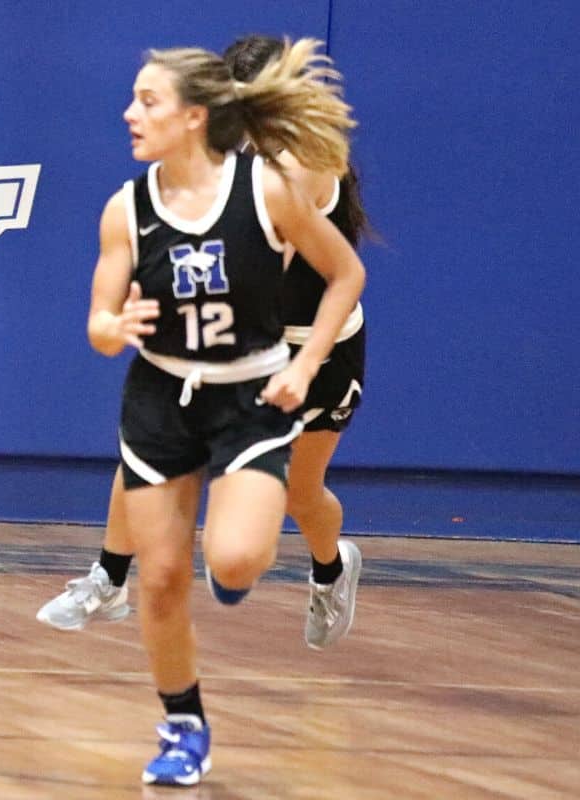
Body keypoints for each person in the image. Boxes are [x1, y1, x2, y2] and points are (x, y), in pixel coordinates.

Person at [75, 40, 365, 786]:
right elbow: (100, 324)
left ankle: (300, 563)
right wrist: (114, 329)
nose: (129, 113)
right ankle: (183, 725)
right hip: (161, 399)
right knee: (165, 579)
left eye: (148, 101)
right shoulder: (126, 207)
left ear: (195, 117)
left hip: (252, 394)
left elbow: (347, 272)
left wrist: (304, 365)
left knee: (233, 563)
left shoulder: (267, 189)